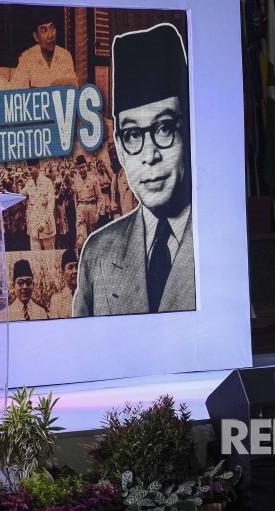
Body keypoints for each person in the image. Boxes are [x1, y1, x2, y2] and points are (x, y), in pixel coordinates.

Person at [74, 24, 195, 316]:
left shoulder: (218, 242)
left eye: (164, 128)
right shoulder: (98, 252)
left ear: (190, 130)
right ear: (118, 145)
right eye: (132, 135)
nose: (150, 155)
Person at [10, 7, 78, 89]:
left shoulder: (65, 56)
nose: (50, 35)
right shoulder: (27, 58)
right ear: (36, 37)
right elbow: (15, 91)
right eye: (44, 31)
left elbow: (73, 91)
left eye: (53, 28)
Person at [21, 160, 56, 250]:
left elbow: (51, 204)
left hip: (46, 227)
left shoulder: (47, 182)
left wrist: (44, 222)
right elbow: (20, 195)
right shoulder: (29, 184)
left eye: (30, 169)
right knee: (35, 258)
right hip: (33, 228)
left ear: (38, 167)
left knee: (49, 257)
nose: (29, 172)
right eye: (27, 169)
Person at [50, 248, 78, 318]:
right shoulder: (56, 300)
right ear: (63, 272)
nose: (75, 271)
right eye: (70, 267)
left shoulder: (87, 295)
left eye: (77, 267)